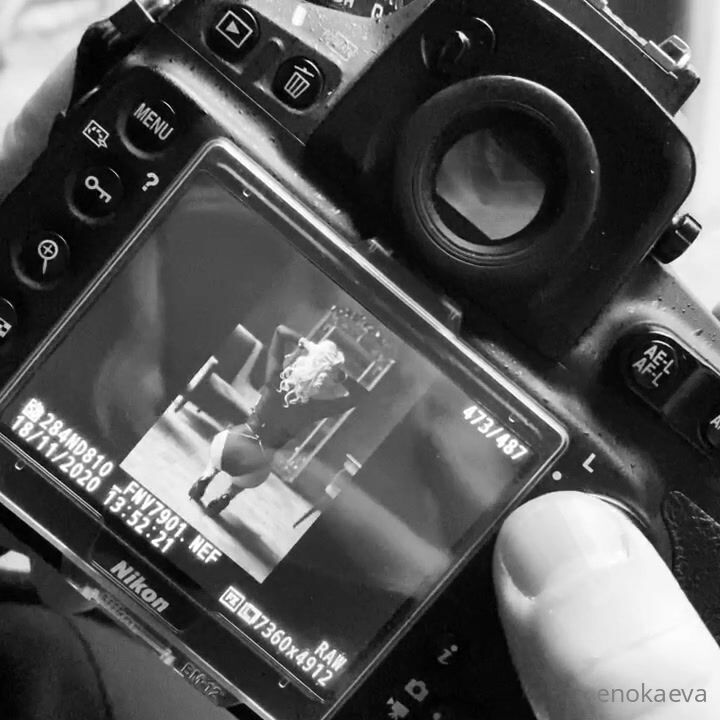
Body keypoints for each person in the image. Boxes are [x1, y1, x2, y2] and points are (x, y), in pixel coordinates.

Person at [1, 48, 720, 720]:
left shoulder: (316, 388)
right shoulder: (303, 371)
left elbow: (315, 385)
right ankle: (212, 493)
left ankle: (213, 495)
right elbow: (293, 363)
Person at [189, 326, 368, 517]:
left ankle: (207, 476)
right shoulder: (316, 409)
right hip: (256, 467)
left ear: (308, 361)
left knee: (224, 444)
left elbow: (280, 331)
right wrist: (342, 376)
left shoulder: (275, 378)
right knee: (255, 470)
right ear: (327, 377)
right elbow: (360, 395)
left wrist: (307, 344)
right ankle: (227, 496)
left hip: (228, 446)